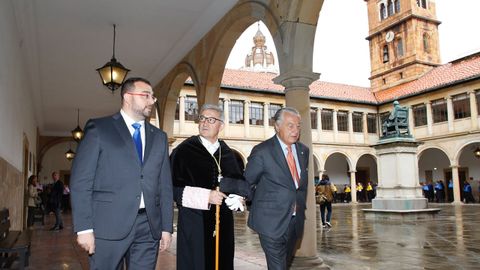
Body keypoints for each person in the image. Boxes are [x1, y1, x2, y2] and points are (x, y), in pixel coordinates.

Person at [70, 77, 173, 270]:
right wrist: (84, 227)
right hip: (107, 225)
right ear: (127, 97)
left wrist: (167, 227)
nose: (152, 101)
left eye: (153, 97)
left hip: (148, 227)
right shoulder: (99, 129)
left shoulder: (160, 137)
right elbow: (81, 181)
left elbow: (164, 186)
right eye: (146, 96)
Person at [170, 104, 248, 270]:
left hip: (223, 222)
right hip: (195, 221)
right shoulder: (183, 151)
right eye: (202, 118)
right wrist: (206, 196)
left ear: (221, 125)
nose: (205, 123)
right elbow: (171, 189)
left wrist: (238, 197)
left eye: (211, 120)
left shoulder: (227, 152)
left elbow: (238, 182)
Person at [244, 107, 309, 269]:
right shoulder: (262, 151)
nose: (295, 130)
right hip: (269, 222)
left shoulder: (303, 151)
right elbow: (247, 182)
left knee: (283, 265)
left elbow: (298, 187)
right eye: (290, 125)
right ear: (277, 126)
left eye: (298, 126)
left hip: (294, 221)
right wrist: (260, 206)